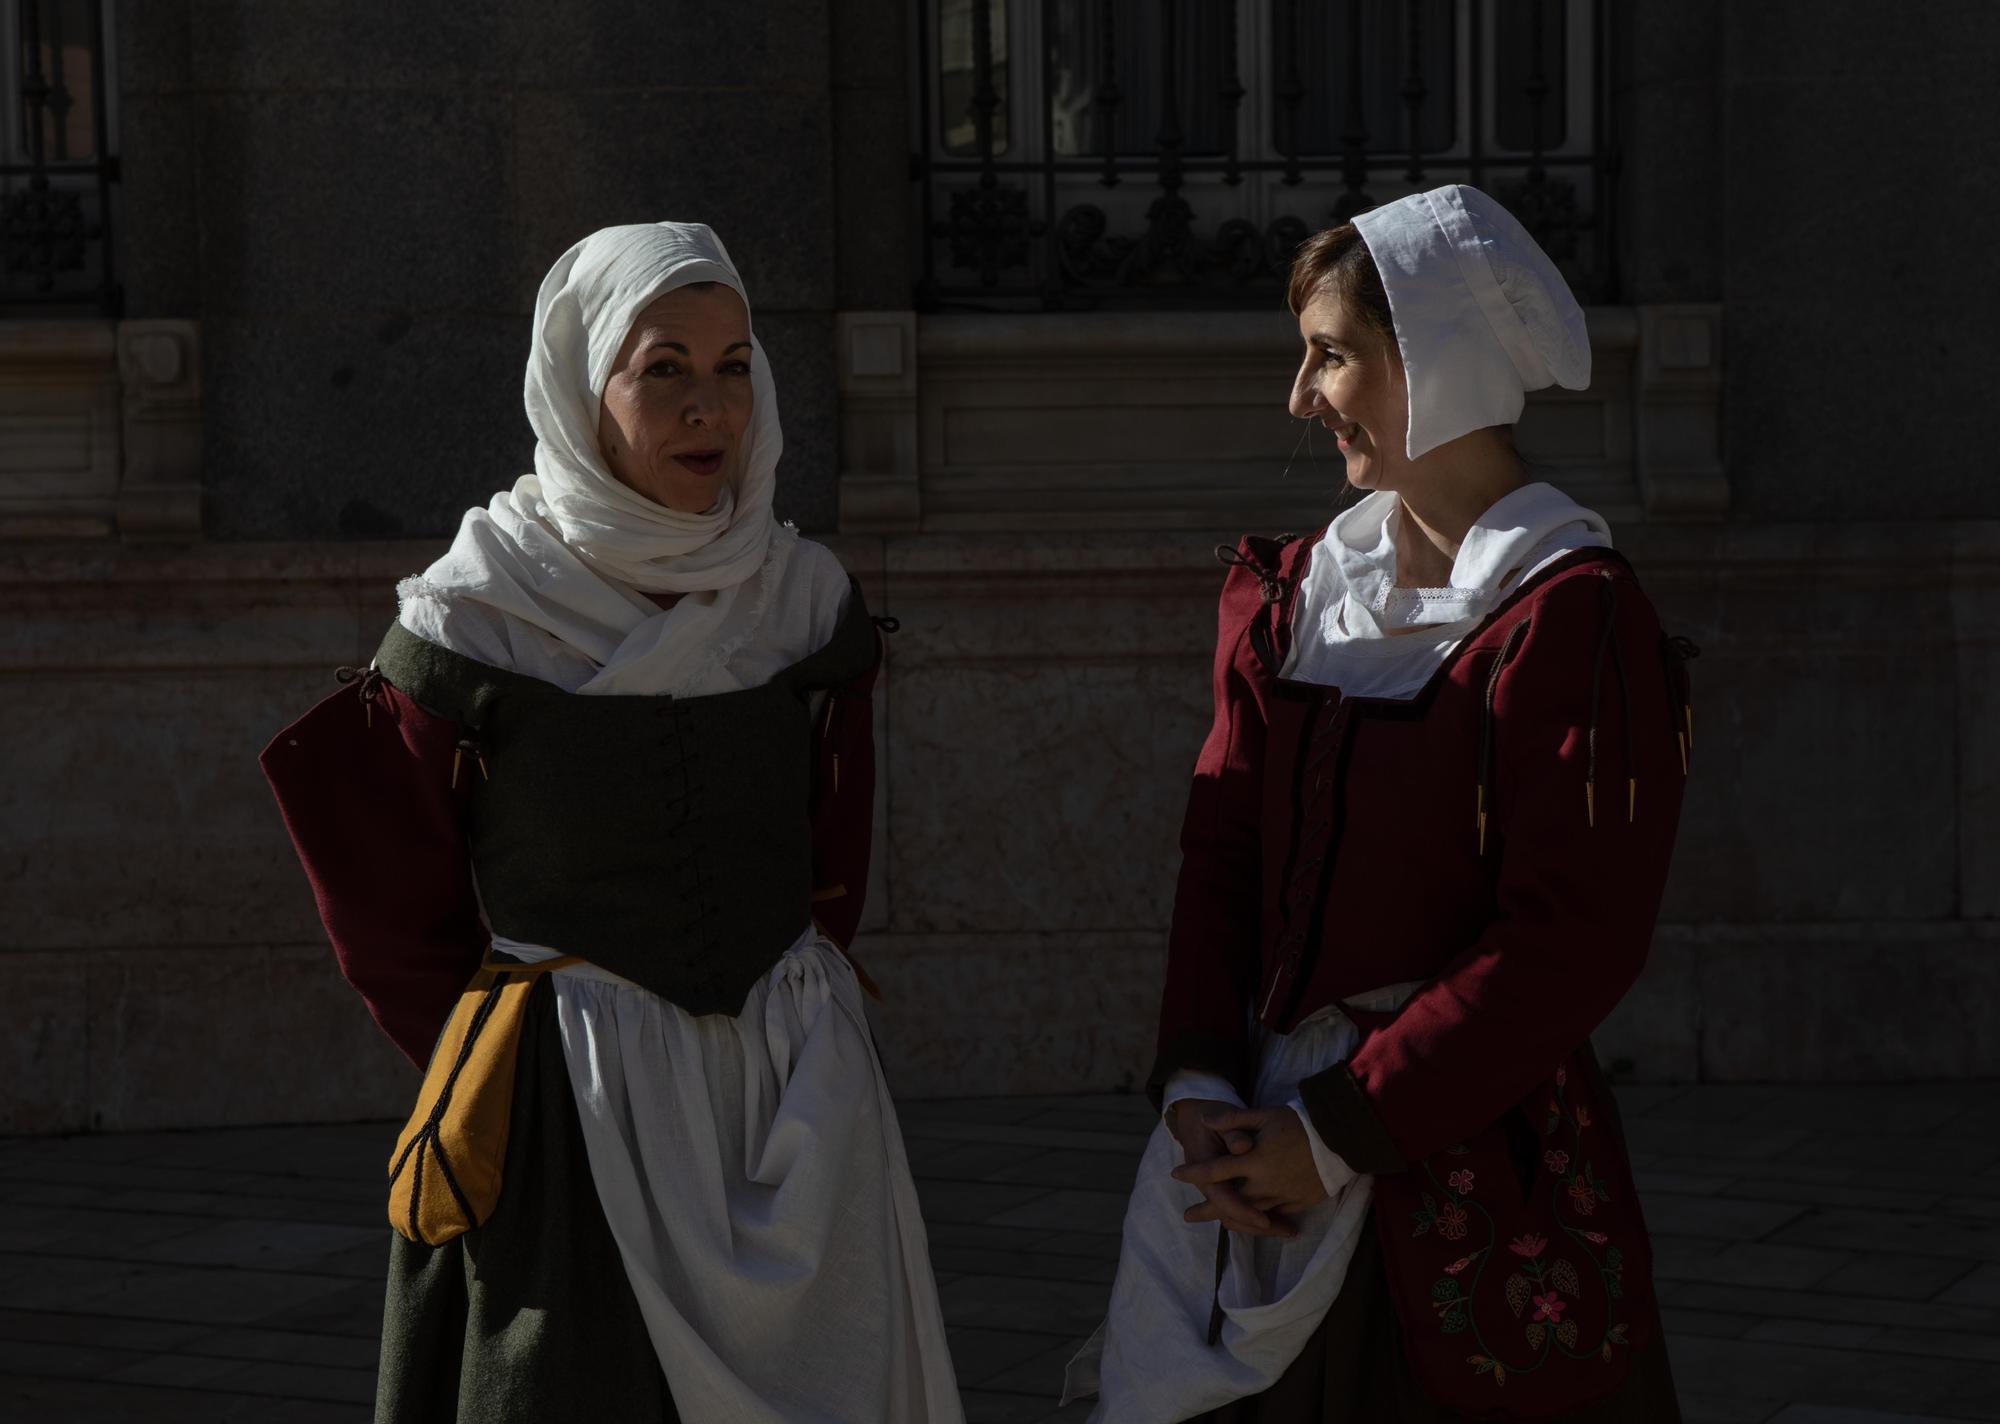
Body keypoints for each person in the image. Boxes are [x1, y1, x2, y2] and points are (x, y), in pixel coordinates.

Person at [261, 222, 962, 1423]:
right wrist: (515, 1065)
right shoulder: (483, 609)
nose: (709, 406)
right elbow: (384, 903)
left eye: (733, 364)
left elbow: (828, 857)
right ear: (584, 387)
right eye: (664, 368)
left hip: (792, 1093)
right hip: (575, 1108)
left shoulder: (797, 598)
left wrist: (795, 1026)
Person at [1072, 185, 1691, 1421]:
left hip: (1458, 1156)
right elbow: (1224, 852)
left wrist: (1341, 1127)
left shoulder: (1564, 613)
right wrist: (1199, 1085)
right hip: (1251, 1141)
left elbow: (1567, 938)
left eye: (1331, 356)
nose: (1301, 398)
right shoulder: (1301, 595)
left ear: (1440, 364)